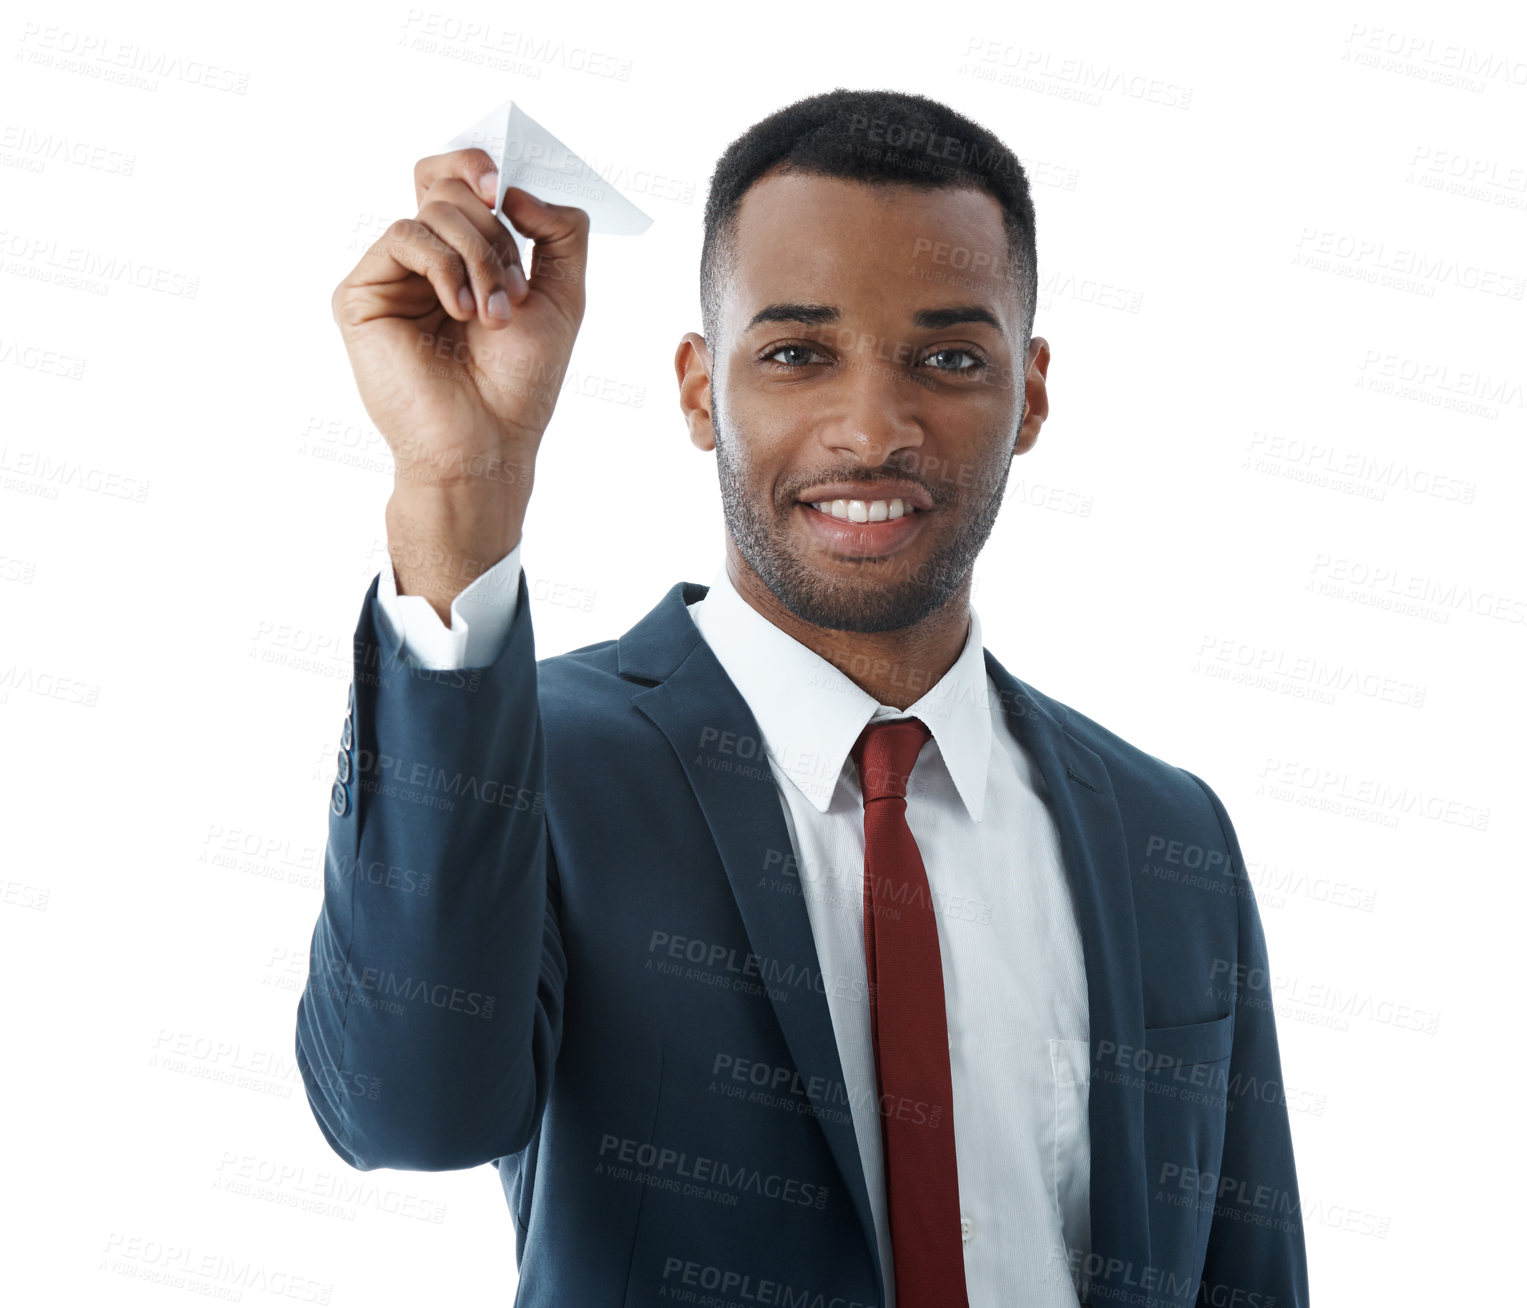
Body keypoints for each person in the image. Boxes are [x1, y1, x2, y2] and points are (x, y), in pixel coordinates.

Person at [295, 88, 1308, 1308]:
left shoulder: (1169, 834)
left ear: (1030, 394)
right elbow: (408, 1107)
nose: (872, 429)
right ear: (697, 390)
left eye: (947, 357)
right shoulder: (545, 764)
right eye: (795, 353)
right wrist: (459, 485)